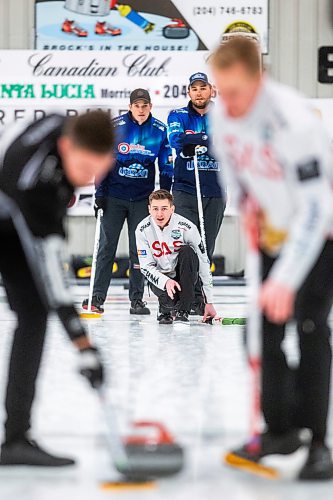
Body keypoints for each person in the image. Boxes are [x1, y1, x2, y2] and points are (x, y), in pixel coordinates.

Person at [210, 37, 333, 480]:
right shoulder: (222, 115)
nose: (229, 104)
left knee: (309, 325)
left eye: (237, 92)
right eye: (221, 92)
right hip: (272, 229)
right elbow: (232, 173)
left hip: (320, 231)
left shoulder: (294, 121)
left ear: (259, 80)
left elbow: (317, 208)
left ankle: (318, 441)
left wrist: (285, 279)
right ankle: (279, 430)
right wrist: (246, 206)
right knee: (259, 334)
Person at [0, 111, 114, 467]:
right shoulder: (35, 185)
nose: (86, 177)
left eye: (95, 169)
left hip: (12, 214)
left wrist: (82, 344)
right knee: (38, 305)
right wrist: (84, 345)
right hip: (11, 205)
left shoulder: (68, 136)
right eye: (81, 166)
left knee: (33, 315)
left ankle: (16, 439)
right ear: (66, 147)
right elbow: (52, 277)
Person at [82, 89, 173, 315]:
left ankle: (137, 300)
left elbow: (166, 166)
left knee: (139, 251)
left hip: (142, 198)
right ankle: (96, 297)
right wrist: (99, 193)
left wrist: (164, 197)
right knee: (106, 247)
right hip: (114, 197)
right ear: (130, 106)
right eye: (137, 105)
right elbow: (102, 160)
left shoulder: (160, 131)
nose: (141, 109)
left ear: (150, 106)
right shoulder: (116, 126)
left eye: (145, 105)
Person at [167, 72, 226, 315]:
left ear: (211, 90)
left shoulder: (224, 115)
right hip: (185, 189)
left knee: (206, 246)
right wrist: (207, 140)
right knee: (185, 246)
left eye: (203, 88)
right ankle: (183, 297)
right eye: (195, 88)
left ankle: (201, 299)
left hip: (215, 189)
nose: (199, 92)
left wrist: (198, 139)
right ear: (189, 92)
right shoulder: (178, 115)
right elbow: (175, 139)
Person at [135, 189, 217, 324]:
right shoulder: (142, 229)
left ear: (172, 209)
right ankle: (165, 308)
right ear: (149, 209)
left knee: (188, 251)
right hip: (161, 278)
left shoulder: (187, 227)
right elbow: (145, 267)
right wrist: (165, 281)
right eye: (155, 209)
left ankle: (183, 310)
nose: (159, 214)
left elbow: (203, 262)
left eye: (164, 209)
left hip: (184, 275)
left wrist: (209, 301)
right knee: (169, 302)